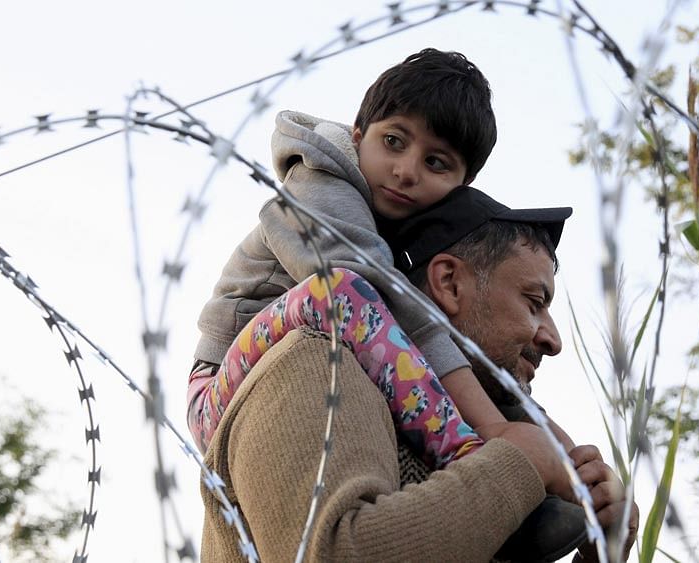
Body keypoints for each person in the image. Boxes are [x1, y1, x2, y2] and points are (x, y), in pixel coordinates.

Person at [198, 186, 639, 562]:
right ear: (448, 283)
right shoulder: (316, 361)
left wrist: (598, 549)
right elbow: (334, 551)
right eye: (533, 302)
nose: (553, 340)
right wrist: (523, 462)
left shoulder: (473, 449)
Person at [187, 48, 553, 475]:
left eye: (435, 163)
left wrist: (556, 443)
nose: (405, 171)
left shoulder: (406, 232)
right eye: (393, 142)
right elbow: (374, 297)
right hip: (220, 391)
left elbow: (450, 339)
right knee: (343, 288)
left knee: (438, 318)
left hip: (311, 373)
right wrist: (493, 428)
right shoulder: (318, 184)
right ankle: (468, 460)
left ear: (461, 185)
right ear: (359, 135)